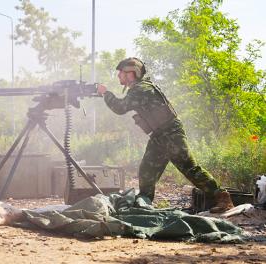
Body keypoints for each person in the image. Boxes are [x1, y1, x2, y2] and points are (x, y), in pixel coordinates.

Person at [96, 57, 234, 213]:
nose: (118, 75)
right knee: (147, 170)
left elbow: (120, 107)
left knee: (189, 168)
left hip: (170, 133)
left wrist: (105, 93)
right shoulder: (139, 88)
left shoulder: (141, 89)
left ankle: (223, 198)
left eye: (121, 72)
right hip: (160, 135)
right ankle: (144, 203)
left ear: (131, 73)